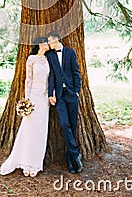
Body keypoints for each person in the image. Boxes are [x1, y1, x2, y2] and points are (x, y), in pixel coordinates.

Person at [0, 37, 50, 177]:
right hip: (34, 97)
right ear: (40, 44)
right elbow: (29, 79)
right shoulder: (32, 59)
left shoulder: (48, 59)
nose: (48, 44)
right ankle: (24, 161)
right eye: (46, 42)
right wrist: (26, 100)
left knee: (41, 130)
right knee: (29, 129)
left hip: (45, 98)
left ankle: (35, 163)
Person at [46, 31, 83, 174]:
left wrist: (77, 91)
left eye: (50, 41)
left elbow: (76, 72)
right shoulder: (50, 55)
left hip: (71, 94)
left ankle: (70, 158)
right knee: (64, 124)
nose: (49, 44)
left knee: (72, 126)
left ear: (56, 40)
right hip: (59, 96)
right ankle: (75, 154)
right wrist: (51, 94)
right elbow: (52, 76)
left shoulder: (70, 53)